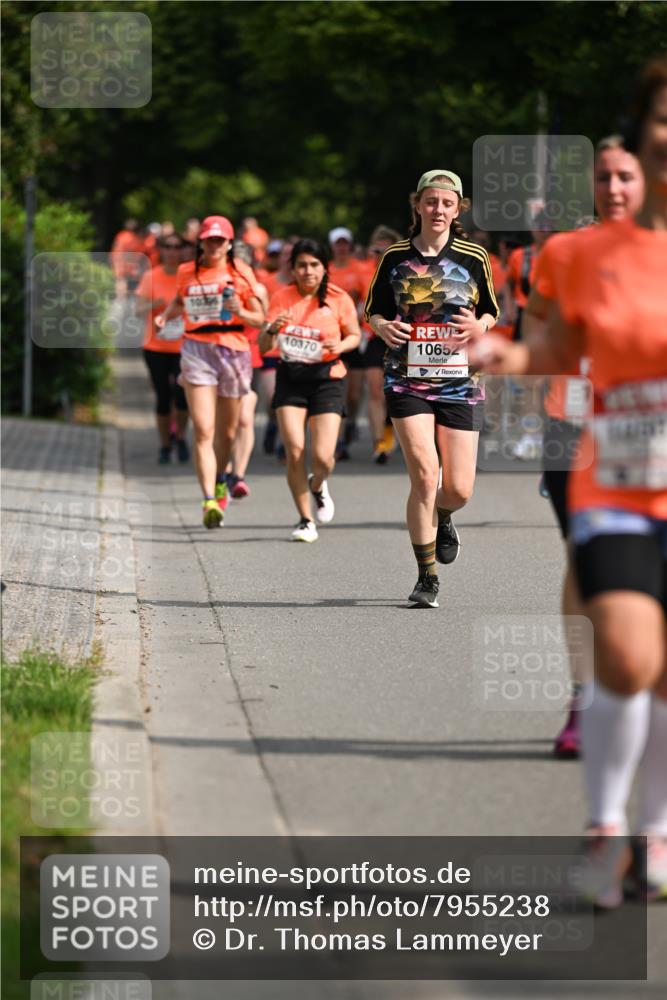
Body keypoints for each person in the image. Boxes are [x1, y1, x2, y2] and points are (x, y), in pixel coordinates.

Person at [468, 60, 667, 903]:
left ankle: (654, 834)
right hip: (618, 477)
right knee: (627, 651)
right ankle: (603, 830)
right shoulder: (580, 252)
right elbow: (555, 350)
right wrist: (510, 356)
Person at [524, 136, 645, 760]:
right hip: (573, 425)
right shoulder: (565, 255)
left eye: (628, 176)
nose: (616, 189)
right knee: (585, 555)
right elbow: (534, 327)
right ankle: (583, 695)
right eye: (605, 178)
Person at [365, 169, 499, 607]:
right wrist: (384, 327)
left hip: (461, 381)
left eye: (446, 203)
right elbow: (373, 311)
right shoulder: (394, 257)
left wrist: (478, 324)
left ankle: (444, 515)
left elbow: (492, 312)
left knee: (458, 488)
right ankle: (427, 577)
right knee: (424, 475)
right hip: (407, 378)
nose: (437, 210)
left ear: (458, 208)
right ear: (417, 205)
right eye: (430, 202)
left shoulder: (475, 257)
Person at [156, 215, 265, 528]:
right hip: (196, 349)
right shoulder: (186, 271)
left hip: (233, 349)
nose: (214, 245)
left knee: (227, 433)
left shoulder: (240, 271)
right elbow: (180, 300)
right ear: (200, 242)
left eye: (220, 240)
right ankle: (207, 500)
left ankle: (221, 480)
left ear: (230, 243)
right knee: (204, 429)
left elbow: (259, 319)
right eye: (208, 240)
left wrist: (239, 310)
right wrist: (165, 316)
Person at [258, 238, 360, 542]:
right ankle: (305, 519)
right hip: (291, 376)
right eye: (301, 265)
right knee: (295, 450)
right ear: (292, 268)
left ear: (324, 267)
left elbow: (354, 335)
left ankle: (318, 484)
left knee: (324, 456)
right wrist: (272, 328)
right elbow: (264, 346)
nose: (308, 271)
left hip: (327, 377)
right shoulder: (281, 297)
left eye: (314, 265)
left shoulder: (338, 299)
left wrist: (339, 345)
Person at [346, 225, 402, 464]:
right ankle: (380, 442)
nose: (378, 254)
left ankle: (391, 431)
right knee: (376, 390)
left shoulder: (407, 269)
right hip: (374, 338)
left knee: (397, 393)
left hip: (403, 338)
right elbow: (350, 302)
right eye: (375, 249)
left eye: (384, 249)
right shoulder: (363, 272)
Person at [135, 233, 190, 464]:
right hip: (155, 346)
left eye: (177, 247)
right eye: (167, 246)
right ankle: (165, 444)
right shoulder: (150, 276)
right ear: (161, 250)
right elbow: (138, 311)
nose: (172, 251)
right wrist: (157, 305)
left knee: (182, 396)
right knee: (163, 397)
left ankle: (181, 436)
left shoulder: (188, 275)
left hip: (184, 346)